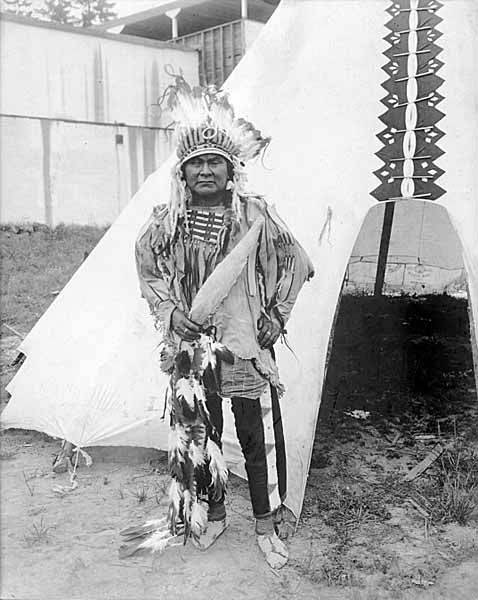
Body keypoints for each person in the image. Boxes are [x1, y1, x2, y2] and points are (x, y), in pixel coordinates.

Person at [134, 78, 314, 569]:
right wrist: (171, 313)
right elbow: (147, 266)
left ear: (231, 169)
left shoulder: (254, 214)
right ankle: (214, 516)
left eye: (216, 161)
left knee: (257, 439)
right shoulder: (168, 220)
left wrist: (276, 314)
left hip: (244, 344)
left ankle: (265, 524)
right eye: (198, 163)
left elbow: (295, 262)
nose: (207, 169)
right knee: (202, 436)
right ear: (184, 173)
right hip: (193, 351)